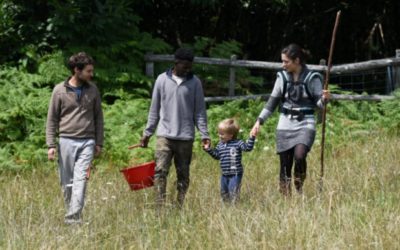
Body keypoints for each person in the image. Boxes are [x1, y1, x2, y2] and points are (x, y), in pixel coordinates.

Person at [251, 44, 330, 196]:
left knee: (300, 156)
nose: (283, 64)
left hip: (306, 124)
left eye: (286, 61)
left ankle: (299, 188)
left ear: (297, 60)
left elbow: (318, 104)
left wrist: (325, 99)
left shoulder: (312, 78)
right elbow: (272, 102)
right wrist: (259, 121)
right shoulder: (282, 78)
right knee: (285, 164)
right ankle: (286, 199)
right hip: (285, 123)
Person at [140, 48, 210, 208]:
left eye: (190, 66)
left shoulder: (195, 83)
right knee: (160, 171)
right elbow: (154, 109)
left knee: (183, 174)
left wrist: (204, 134)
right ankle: (159, 205)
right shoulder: (161, 80)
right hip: (164, 136)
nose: (188, 69)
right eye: (185, 66)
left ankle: (180, 204)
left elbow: (200, 111)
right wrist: (148, 132)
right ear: (176, 63)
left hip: (185, 137)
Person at [46, 52, 104, 224]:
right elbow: (52, 119)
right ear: (76, 70)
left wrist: (99, 142)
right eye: (88, 71)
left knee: (81, 180)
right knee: (67, 183)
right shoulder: (59, 90)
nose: (91, 74)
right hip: (66, 141)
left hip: (87, 141)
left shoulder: (93, 90)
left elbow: (99, 117)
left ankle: (73, 219)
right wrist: (51, 144)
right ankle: (73, 212)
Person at [203, 118, 256, 203]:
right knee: (224, 193)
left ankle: (235, 209)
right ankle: (226, 209)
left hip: (235, 174)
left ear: (231, 135)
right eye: (219, 133)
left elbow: (248, 148)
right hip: (224, 174)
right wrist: (208, 149)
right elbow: (217, 156)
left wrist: (252, 137)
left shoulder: (238, 143)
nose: (219, 136)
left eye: (222, 134)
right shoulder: (220, 145)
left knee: (233, 192)